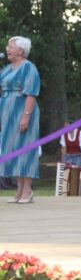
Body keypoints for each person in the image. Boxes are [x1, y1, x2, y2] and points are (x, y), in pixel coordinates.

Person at [0, 36, 41, 204]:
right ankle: (19, 190)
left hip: (23, 110)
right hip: (7, 113)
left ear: (21, 51)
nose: (7, 49)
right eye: (8, 46)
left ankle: (27, 190)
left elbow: (31, 93)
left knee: (25, 149)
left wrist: (26, 116)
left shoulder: (29, 67)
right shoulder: (7, 68)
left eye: (11, 46)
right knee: (12, 149)